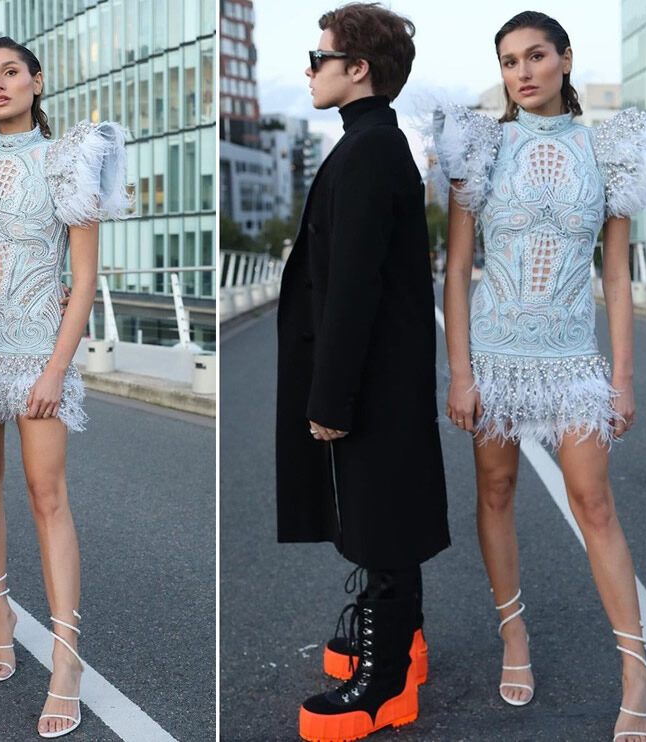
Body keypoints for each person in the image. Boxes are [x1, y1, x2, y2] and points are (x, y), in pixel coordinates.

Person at [433, 11, 646, 742]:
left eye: (536, 55)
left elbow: (619, 277)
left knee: (593, 503)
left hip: (573, 360)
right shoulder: (480, 146)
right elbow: (458, 268)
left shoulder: (611, 149)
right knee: (495, 491)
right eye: (509, 62)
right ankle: (514, 634)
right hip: (496, 356)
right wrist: (460, 372)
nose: (523, 71)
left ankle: (636, 669)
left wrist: (622, 379)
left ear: (566, 59)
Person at [0, 37, 128, 738]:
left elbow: (86, 280)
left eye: (11, 72)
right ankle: (0, 616)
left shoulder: (70, 158)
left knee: (47, 495)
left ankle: (67, 659)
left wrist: (54, 369)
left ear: (37, 81)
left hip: (38, 351)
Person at [275, 5, 449, 740]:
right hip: (381, 373)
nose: (308, 71)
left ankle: (383, 685)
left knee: (384, 521)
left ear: (358, 70)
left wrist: (333, 394)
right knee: (380, 512)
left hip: (374, 378)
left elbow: (354, 286)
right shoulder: (366, 143)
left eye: (318, 59)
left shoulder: (373, 148)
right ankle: (397, 643)